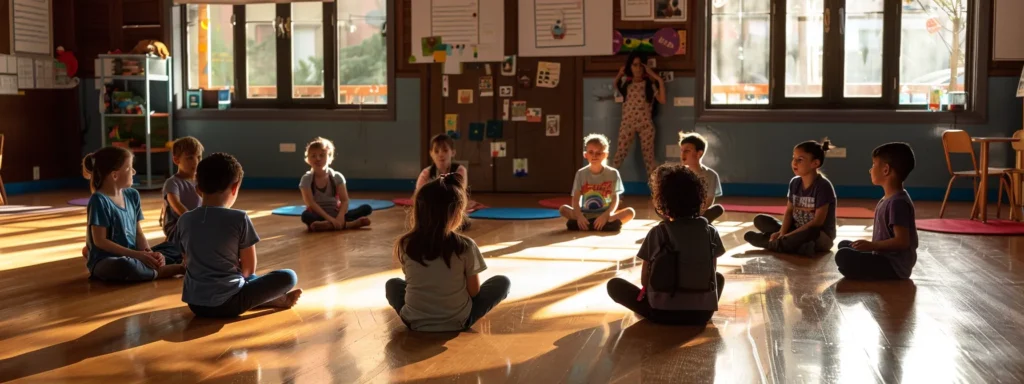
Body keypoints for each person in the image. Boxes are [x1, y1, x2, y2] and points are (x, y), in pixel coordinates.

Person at [180, 153, 302, 318]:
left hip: (195, 304)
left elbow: (187, 261)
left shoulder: (185, 219)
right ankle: (270, 298)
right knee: (288, 276)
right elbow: (248, 269)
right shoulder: (239, 218)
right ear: (235, 187)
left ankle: (272, 299)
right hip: (228, 303)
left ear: (198, 188)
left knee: (242, 280)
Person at [385, 173, 511, 331]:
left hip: (415, 320)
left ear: (418, 211)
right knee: (502, 282)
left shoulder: (406, 244)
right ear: (457, 213)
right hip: (458, 320)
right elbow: (473, 292)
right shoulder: (465, 246)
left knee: (392, 285)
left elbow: (414, 282)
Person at [607, 164, 726, 325]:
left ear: (662, 202)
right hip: (702, 314)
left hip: (662, 312)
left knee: (614, 286)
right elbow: (712, 271)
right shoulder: (711, 232)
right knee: (719, 278)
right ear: (699, 198)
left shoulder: (658, 232)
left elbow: (645, 280)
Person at [82, 147, 184, 282]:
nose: (134, 172)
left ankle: (153, 267)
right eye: (130, 168)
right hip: (108, 259)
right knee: (125, 265)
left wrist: (149, 253)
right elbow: (100, 241)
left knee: (173, 247)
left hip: (134, 254)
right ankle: (164, 271)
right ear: (115, 175)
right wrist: (139, 256)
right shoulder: (99, 200)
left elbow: (138, 233)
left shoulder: (132, 195)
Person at [835, 143, 918, 280]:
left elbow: (902, 241)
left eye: (873, 164)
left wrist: (872, 246)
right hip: (881, 256)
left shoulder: (898, 203)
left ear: (886, 170)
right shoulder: (888, 199)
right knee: (844, 245)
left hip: (894, 266)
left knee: (843, 256)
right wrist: (869, 246)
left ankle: (858, 270)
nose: (870, 170)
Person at [744, 140, 837, 257]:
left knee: (808, 233)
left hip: (818, 235)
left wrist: (788, 236)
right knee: (760, 220)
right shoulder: (795, 183)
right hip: (796, 230)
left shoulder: (823, 186)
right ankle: (792, 245)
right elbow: (789, 212)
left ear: (815, 163)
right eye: (794, 158)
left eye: (800, 160)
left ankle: (774, 244)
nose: (794, 163)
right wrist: (782, 233)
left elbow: (817, 222)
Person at [559, 133, 636, 231]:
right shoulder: (580, 173)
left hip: (605, 214)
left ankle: (593, 225)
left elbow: (615, 199)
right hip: (585, 213)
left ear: (605, 155)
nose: (594, 156)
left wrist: (606, 215)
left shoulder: (613, 173)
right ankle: (596, 225)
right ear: (585, 154)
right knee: (563, 209)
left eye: (598, 153)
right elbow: (575, 199)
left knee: (630, 212)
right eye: (591, 152)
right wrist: (579, 216)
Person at [299, 137, 371, 231]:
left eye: (322, 155)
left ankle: (328, 226)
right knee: (306, 216)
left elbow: (344, 200)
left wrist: (340, 217)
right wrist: (331, 220)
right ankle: (348, 225)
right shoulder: (306, 179)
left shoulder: (337, 177)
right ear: (308, 159)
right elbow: (311, 203)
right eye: (313, 156)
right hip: (318, 215)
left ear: (330, 158)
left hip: (335, 213)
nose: (318, 159)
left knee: (366, 208)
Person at [611, 51, 666, 177]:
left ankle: (655, 191)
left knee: (649, 158)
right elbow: (615, 86)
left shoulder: (649, 85)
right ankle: (609, 185)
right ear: (630, 66)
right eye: (634, 65)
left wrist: (657, 78)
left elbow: (662, 100)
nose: (637, 68)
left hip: (645, 124)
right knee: (619, 155)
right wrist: (620, 73)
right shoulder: (626, 83)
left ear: (645, 67)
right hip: (627, 123)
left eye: (640, 65)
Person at [679, 132, 724, 222]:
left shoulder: (711, 175)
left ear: (699, 153)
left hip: (700, 213)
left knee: (718, 209)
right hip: (680, 212)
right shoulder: (678, 174)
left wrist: (696, 214)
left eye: (687, 151)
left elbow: (709, 200)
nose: (683, 154)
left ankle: (697, 222)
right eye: (682, 150)